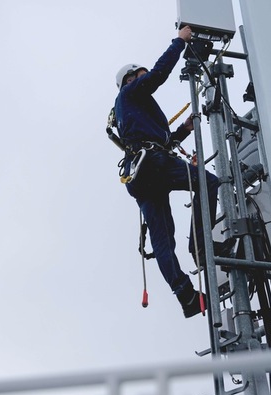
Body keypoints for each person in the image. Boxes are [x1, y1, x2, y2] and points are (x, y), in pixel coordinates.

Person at [114, 26, 221, 318]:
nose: (142, 80)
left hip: (142, 174)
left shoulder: (133, 112)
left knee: (163, 242)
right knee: (209, 183)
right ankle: (201, 247)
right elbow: (158, 75)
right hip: (153, 164)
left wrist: (183, 131)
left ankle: (186, 295)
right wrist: (179, 42)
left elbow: (161, 143)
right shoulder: (129, 94)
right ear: (129, 79)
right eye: (138, 76)